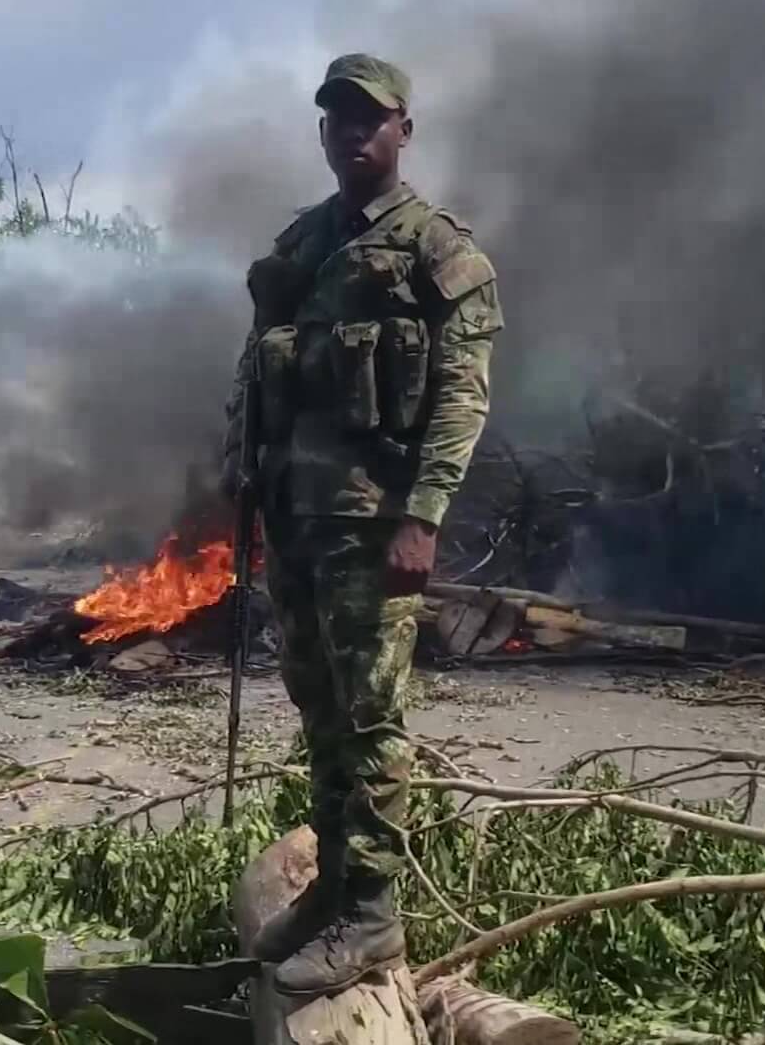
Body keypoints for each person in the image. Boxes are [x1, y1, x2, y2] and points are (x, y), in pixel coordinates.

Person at [222, 53, 502, 997]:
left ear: (403, 131)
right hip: (298, 522)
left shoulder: (434, 246)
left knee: (372, 722)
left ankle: (373, 919)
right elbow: (255, 369)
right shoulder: (303, 243)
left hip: (374, 526)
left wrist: (423, 517)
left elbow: (462, 398)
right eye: (337, 119)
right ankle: (333, 889)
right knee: (320, 713)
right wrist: (241, 473)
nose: (352, 134)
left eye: (370, 119)